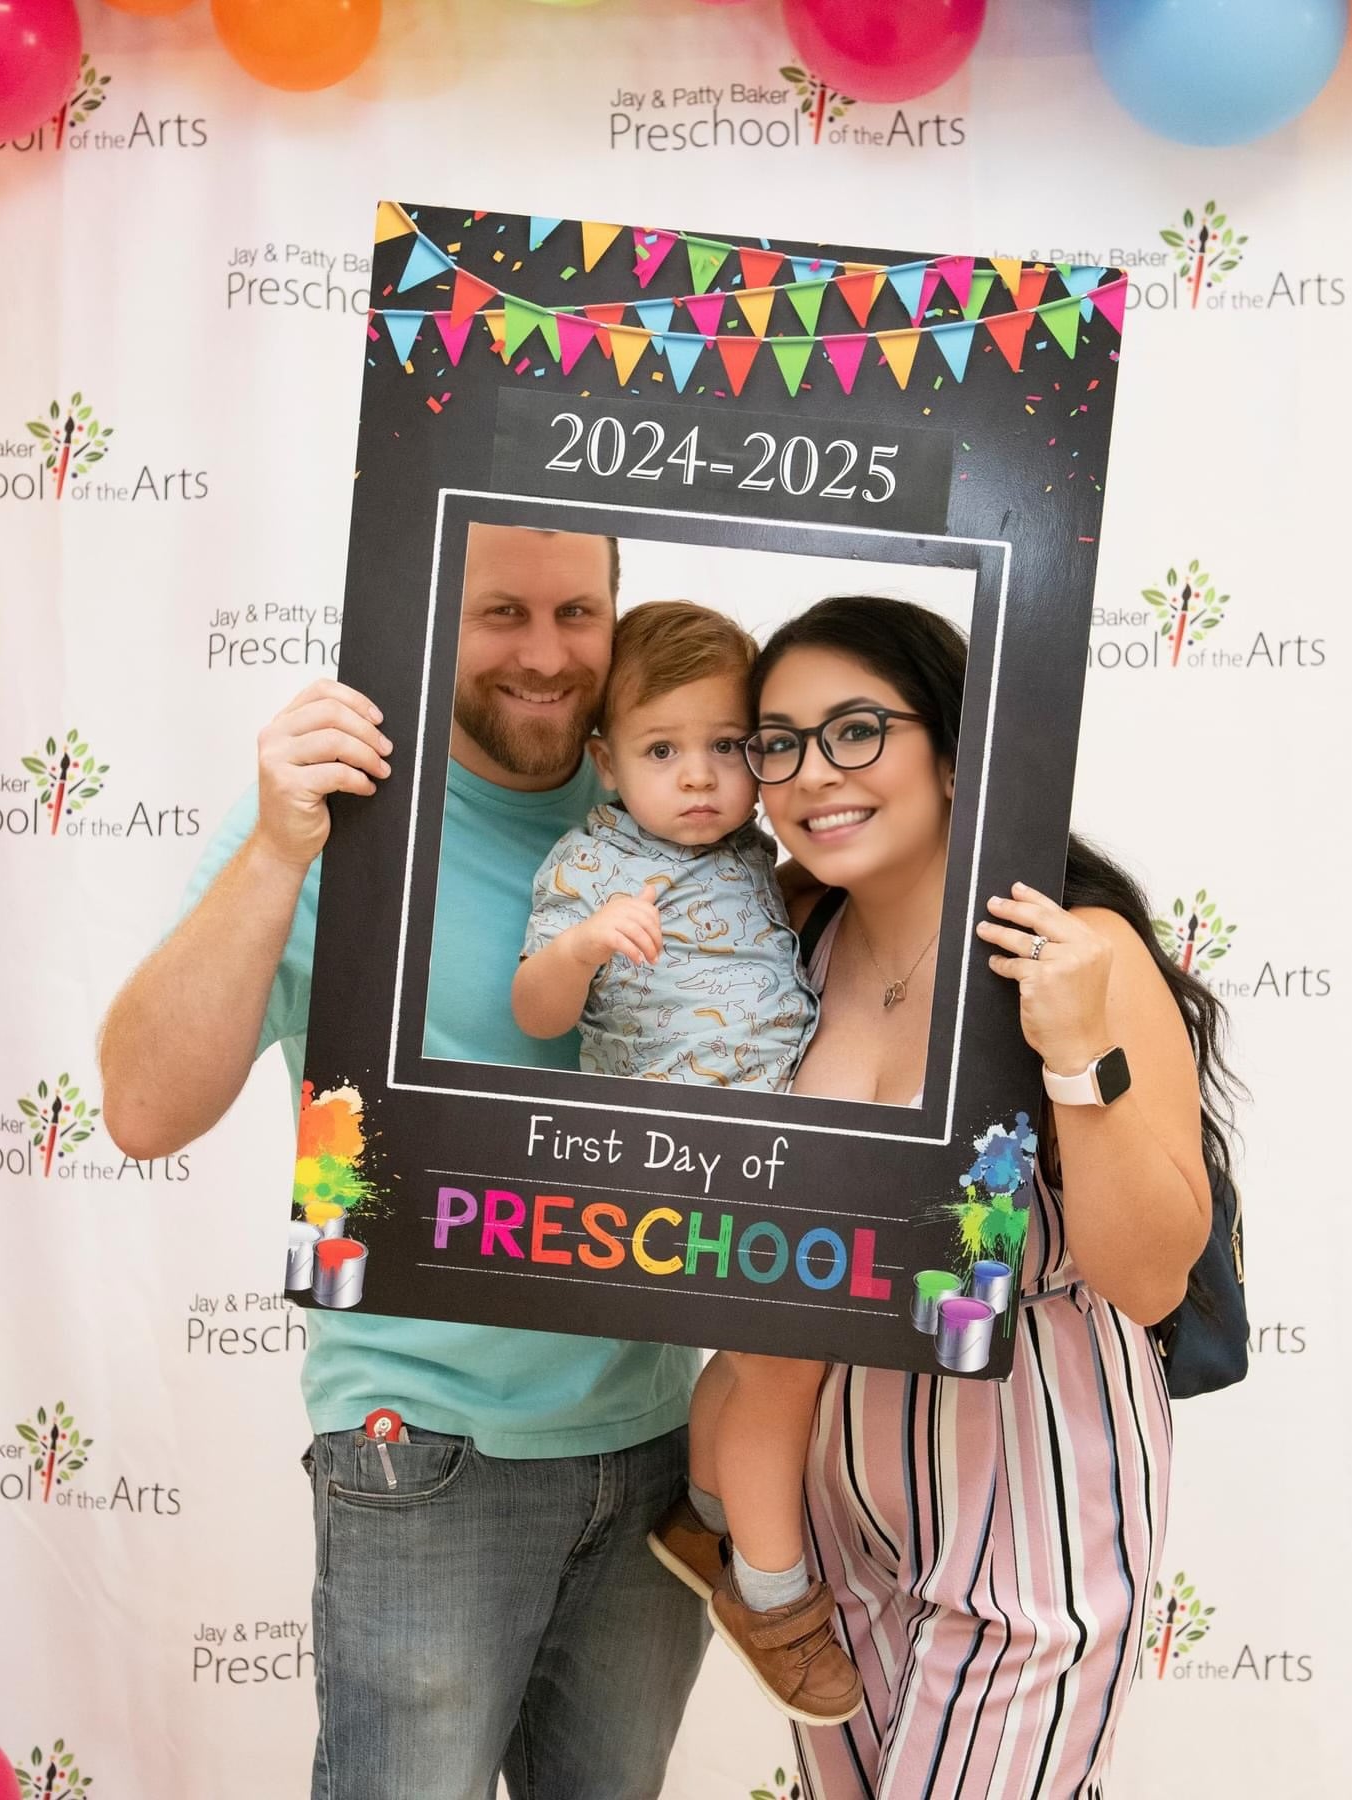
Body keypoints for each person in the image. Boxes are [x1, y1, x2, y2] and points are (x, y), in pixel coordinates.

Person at [97, 523, 709, 1800]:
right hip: (422, 1444)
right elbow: (144, 1109)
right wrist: (278, 849)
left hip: (656, 1446)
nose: (545, 655)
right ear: (429, 615)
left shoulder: (670, 798)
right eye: (499, 613)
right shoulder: (333, 819)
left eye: (576, 613)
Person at [712, 594, 1229, 1798]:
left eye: (856, 729)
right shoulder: (785, 935)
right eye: (777, 743)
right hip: (830, 1505)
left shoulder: (1075, 950)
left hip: (1036, 1480)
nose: (811, 773)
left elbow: (1150, 1276)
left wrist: (1076, 1052)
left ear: (955, 751)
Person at [511, 600, 862, 1726]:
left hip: (769, 1152)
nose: (701, 777)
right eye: (663, 751)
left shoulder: (755, 855)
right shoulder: (591, 865)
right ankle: (773, 1595)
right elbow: (534, 1012)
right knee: (783, 1363)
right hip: (665, 1159)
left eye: (727, 746)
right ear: (606, 760)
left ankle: (702, 1515)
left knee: (759, 1362)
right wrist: (582, 946)